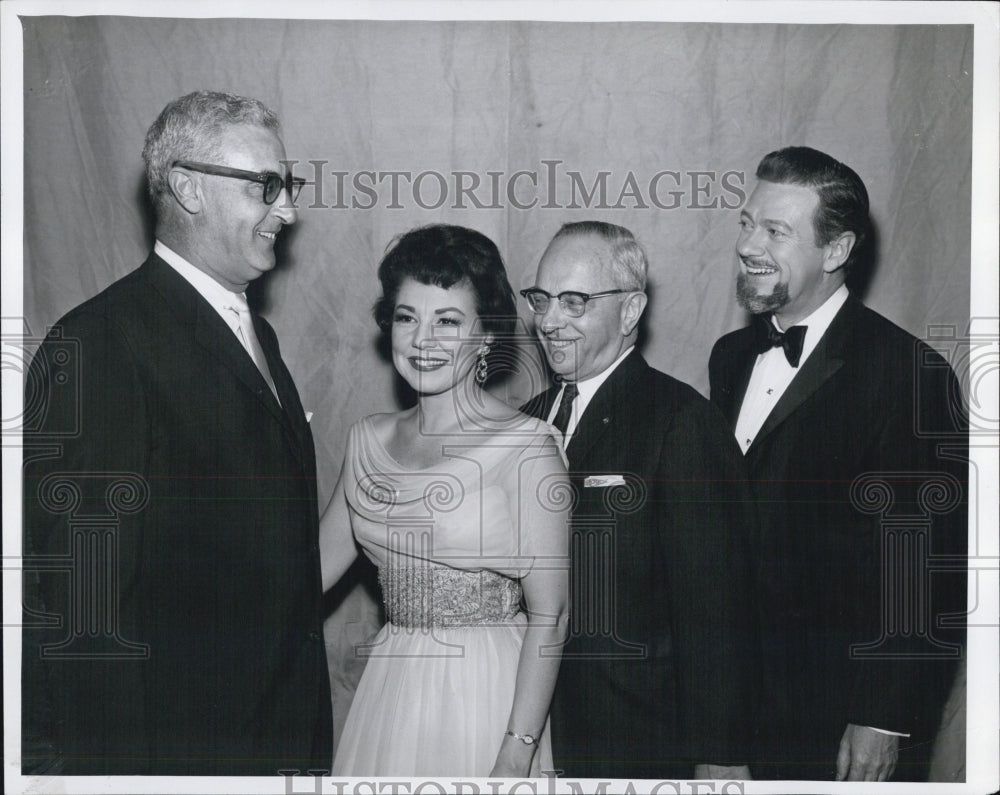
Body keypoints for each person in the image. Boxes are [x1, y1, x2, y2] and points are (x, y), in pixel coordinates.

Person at [21, 90, 332, 775]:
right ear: (188, 188)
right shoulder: (102, 343)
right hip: (177, 755)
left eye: (288, 185)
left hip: (275, 744)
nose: (288, 209)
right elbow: (85, 613)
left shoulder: (260, 336)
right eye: (266, 185)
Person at [709, 146, 967, 781]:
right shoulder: (730, 355)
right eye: (747, 222)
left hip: (843, 719)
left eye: (776, 230)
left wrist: (883, 716)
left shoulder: (909, 372)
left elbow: (926, 565)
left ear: (836, 250)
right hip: (736, 710)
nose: (749, 244)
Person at [319, 224, 570, 777]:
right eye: (407, 318)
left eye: (448, 321)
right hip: (392, 688)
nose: (422, 340)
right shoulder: (367, 441)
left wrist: (516, 750)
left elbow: (551, 616)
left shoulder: (526, 447)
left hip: (490, 694)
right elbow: (301, 578)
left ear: (486, 337)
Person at [520, 221, 757, 780]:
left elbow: (717, 610)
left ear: (630, 312)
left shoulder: (679, 423)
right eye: (541, 300)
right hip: (536, 731)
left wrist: (719, 755)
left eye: (574, 302)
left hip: (638, 741)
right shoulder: (527, 419)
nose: (550, 321)